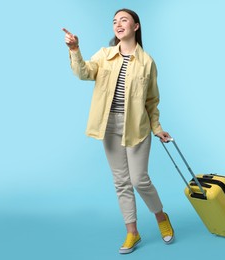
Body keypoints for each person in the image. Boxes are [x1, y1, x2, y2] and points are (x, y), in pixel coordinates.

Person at [62, 8, 174, 254]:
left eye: (123, 20)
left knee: (139, 180)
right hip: (109, 126)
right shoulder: (104, 55)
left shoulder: (147, 62)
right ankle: (132, 232)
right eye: (114, 21)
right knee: (121, 182)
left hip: (137, 127)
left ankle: (161, 217)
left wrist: (158, 129)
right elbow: (83, 73)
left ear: (136, 26)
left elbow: (151, 101)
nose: (118, 24)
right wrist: (74, 49)